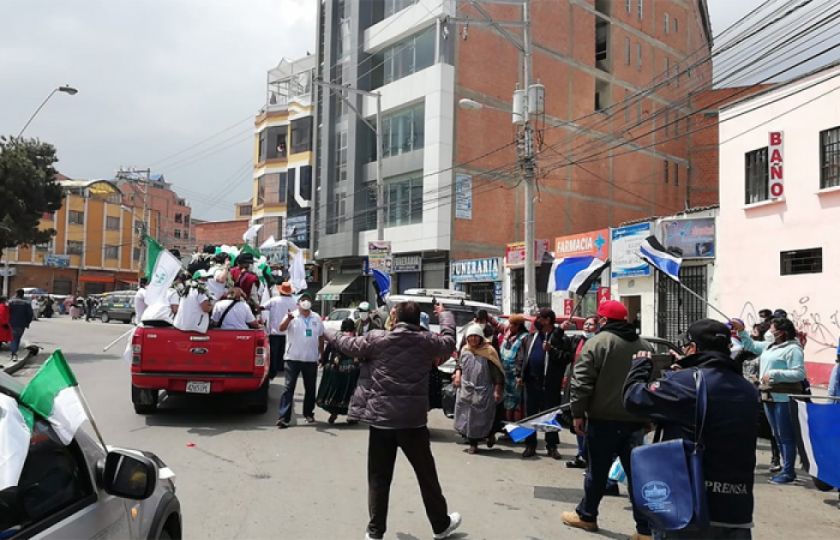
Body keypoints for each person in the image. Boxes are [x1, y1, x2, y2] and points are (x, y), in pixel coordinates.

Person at [327, 301, 461, 540]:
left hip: (382, 421)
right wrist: (445, 315)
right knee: (426, 476)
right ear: (418, 318)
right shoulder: (427, 341)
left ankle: (375, 532)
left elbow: (346, 344)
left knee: (379, 478)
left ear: (394, 316)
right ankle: (440, 525)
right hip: (413, 422)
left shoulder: (377, 339)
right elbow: (450, 341)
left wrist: (324, 329)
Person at [623, 319, 758, 539]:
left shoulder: (686, 382)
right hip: (737, 508)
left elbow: (634, 399)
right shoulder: (746, 388)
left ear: (692, 348)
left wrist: (639, 368)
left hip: (691, 505)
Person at [562, 300, 652, 539]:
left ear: (603, 320)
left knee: (597, 472)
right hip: (634, 421)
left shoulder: (598, 343)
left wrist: (577, 414)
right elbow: (652, 382)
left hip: (603, 420)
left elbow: (581, 382)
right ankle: (645, 529)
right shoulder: (643, 344)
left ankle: (587, 516)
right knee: (637, 476)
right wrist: (649, 416)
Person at [731, 317, 805, 484]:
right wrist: (741, 330)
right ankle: (786, 468)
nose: (769, 333)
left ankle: (788, 472)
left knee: (786, 436)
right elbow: (751, 346)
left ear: (781, 333)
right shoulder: (770, 346)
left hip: (784, 398)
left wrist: (774, 374)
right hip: (769, 395)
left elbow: (799, 374)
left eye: (772, 329)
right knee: (777, 434)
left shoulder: (793, 349)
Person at [517, 308, 570, 459]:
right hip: (531, 383)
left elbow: (565, 358)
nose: (536, 321)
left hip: (550, 384)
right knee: (530, 414)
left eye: (539, 318)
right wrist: (519, 374)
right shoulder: (530, 338)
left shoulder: (560, 339)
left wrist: (551, 350)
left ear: (547, 320)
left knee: (550, 416)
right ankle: (530, 445)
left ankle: (552, 446)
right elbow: (521, 356)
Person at [453, 323, 505, 454]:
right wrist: (458, 375)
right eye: (470, 337)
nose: (473, 339)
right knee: (468, 417)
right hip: (467, 390)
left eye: (476, 336)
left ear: (481, 337)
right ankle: (473, 443)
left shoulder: (489, 352)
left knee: (484, 417)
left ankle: (489, 435)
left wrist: (497, 390)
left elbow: (497, 373)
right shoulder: (465, 350)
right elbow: (459, 365)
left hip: (484, 391)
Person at [276, 293, 324, 428]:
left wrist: (322, 355)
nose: (306, 302)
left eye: (308, 300)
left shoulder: (316, 317)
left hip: (310, 358)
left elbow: (320, 336)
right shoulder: (292, 315)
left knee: (310, 388)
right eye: (303, 300)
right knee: (288, 388)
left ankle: (308, 413)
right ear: (298, 303)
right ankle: (283, 417)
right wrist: (288, 320)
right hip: (293, 358)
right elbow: (281, 328)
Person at [565, 316, 599, 469]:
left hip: (592, 389)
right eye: (585, 324)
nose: (587, 327)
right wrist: (561, 330)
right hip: (575, 386)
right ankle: (581, 454)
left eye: (590, 325)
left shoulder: (599, 343)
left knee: (588, 423)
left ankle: (589, 456)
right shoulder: (577, 341)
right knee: (577, 422)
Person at [316, 318, 361, 424]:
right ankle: (352, 416)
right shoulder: (356, 337)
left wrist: (324, 361)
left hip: (337, 367)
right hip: (352, 369)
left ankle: (334, 413)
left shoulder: (337, 337)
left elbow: (328, 351)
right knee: (351, 392)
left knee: (336, 391)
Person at [261, 281, 297, 378]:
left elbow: (262, 307)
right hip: (289, 331)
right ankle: (281, 368)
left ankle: (273, 370)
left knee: (273, 352)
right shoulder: (294, 301)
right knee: (284, 351)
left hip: (275, 331)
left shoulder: (274, 300)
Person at [499, 314, 529, 423]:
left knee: (517, 405)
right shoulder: (508, 337)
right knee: (507, 404)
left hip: (516, 378)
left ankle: (516, 430)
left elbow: (523, 358)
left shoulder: (524, 337)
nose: (509, 327)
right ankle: (507, 430)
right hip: (506, 377)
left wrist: (519, 375)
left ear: (518, 326)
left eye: (511, 325)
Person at [7, 290, 33, 362]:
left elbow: (6, 312)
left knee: (14, 338)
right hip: (22, 324)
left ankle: (14, 353)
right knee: (17, 338)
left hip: (11, 323)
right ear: (23, 294)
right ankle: (14, 352)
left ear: (16, 294)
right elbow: (30, 314)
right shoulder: (27, 303)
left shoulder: (11, 302)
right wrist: (27, 322)